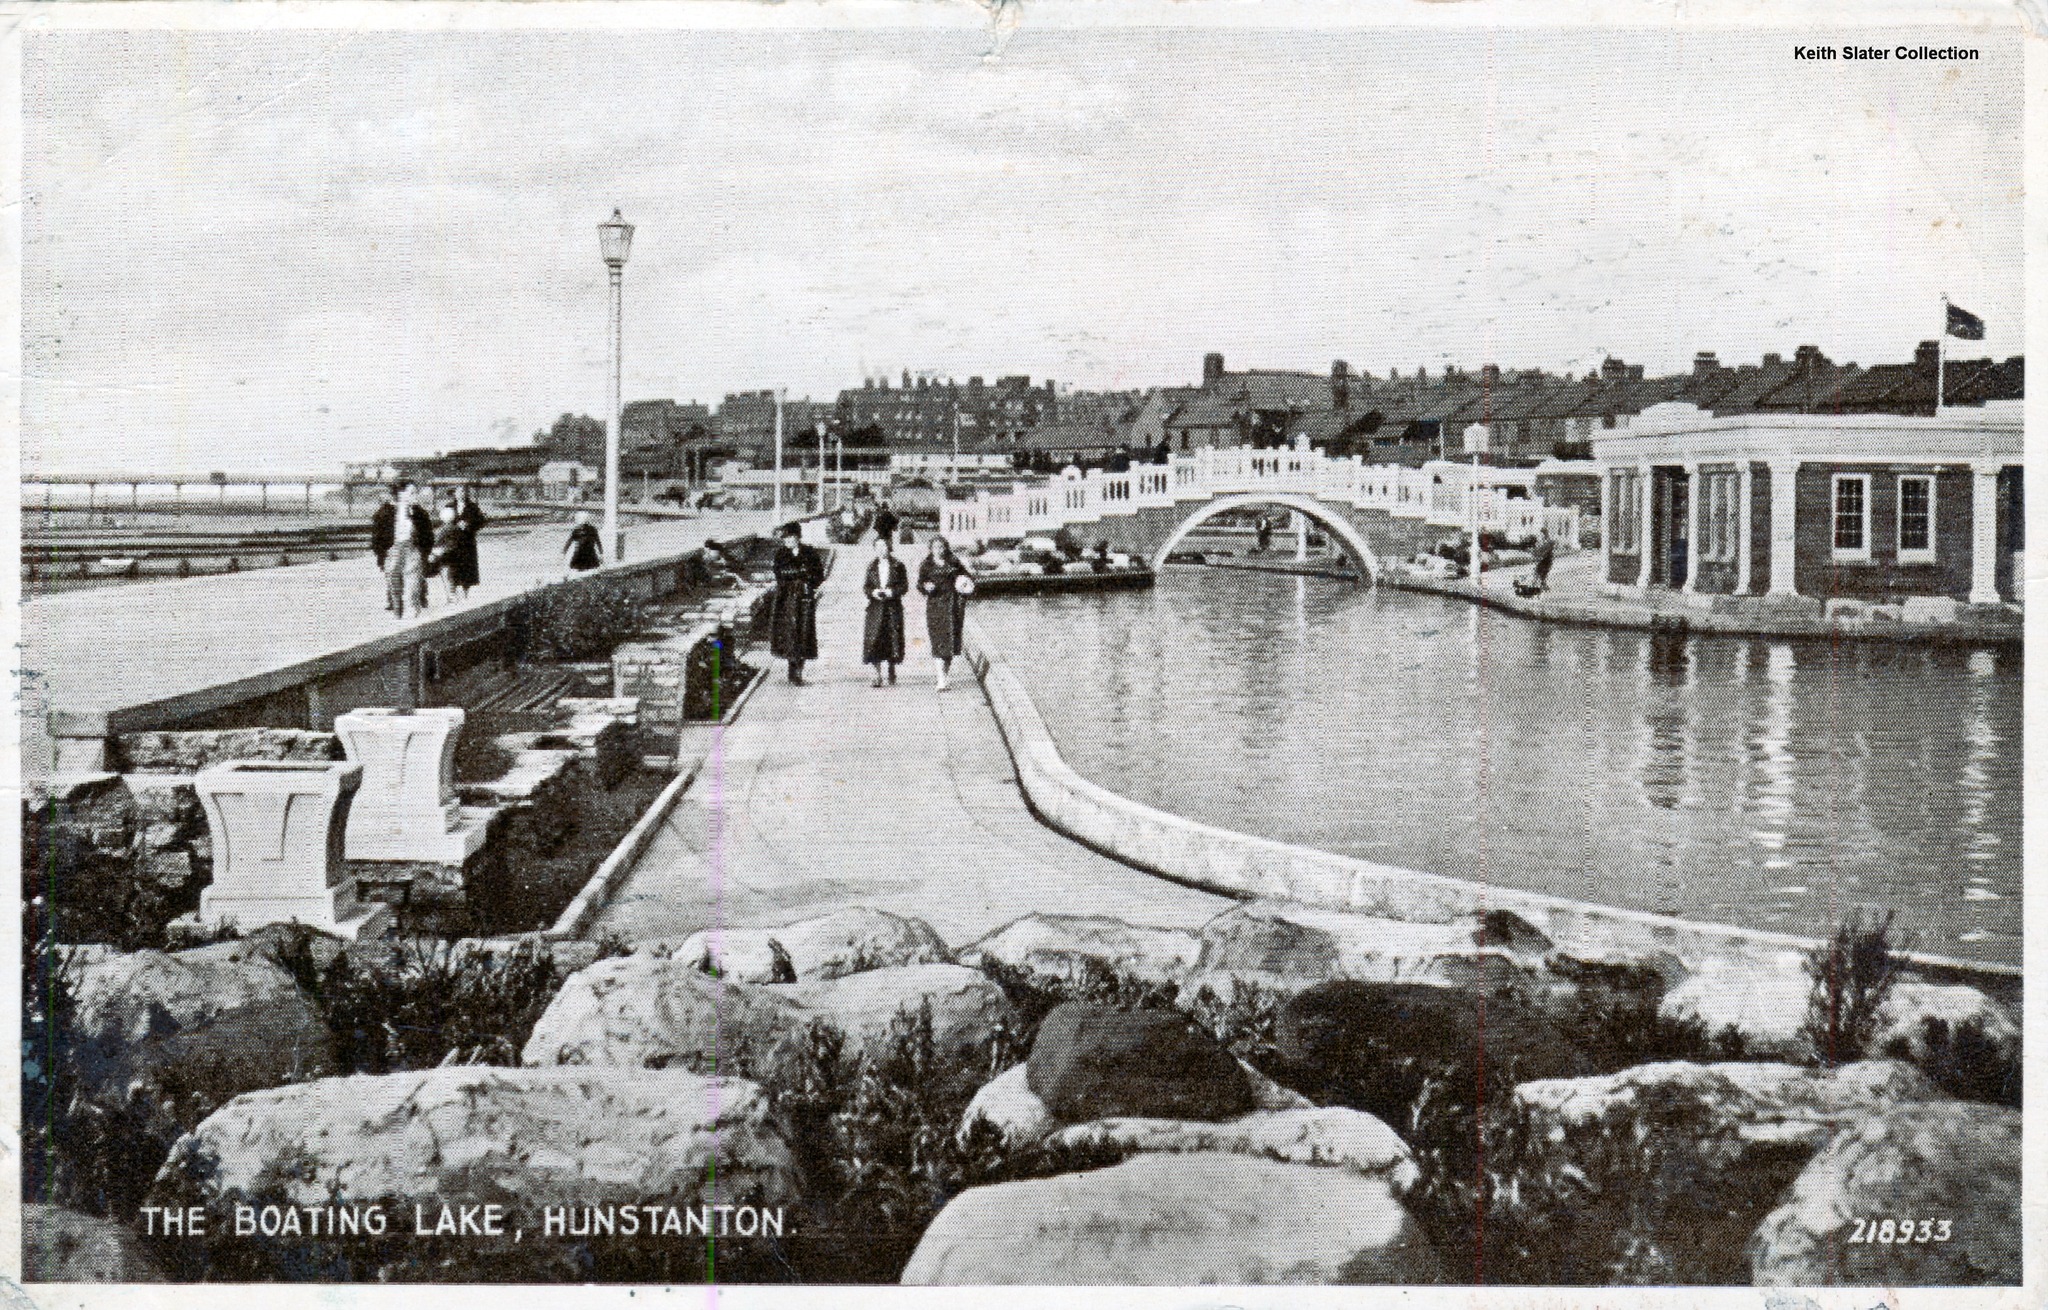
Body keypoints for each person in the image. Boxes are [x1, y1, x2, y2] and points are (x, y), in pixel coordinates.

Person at [768, 521, 825, 684]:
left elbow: (819, 574)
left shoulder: (809, 552)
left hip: (804, 599)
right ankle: (792, 668)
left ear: (797, 537)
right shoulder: (780, 554)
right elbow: (779, 574)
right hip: (786, 599)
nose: (787, 541)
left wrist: (808, 583)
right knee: (789, 633)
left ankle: (800, 668)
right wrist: (799, 576)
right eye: (785, 538)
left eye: (790, 537)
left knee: (804, 632)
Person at [917, 536, 973, 691]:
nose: (939, 550)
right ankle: (941, 678)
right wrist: (925, 587)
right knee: (938, 641)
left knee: (951, 644)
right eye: (936, 547)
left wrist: (964, 585)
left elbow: (968, 579)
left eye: (941, 547)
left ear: (945, 547)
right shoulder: (926, 565)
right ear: (931, 548)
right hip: (935, 606)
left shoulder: (954, 562)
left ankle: (944, 676)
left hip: (953, 607)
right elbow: (919, 583)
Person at [862, 534, 909, 687]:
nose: (882, 550)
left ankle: (891, 668)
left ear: (889, 547)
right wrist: (873, 592)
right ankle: (877, 675)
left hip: (892, 608)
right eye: (879, 547)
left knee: (892, 639)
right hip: (875, 609)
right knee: (874, 640)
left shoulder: (898, 565)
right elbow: (866, 587)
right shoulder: (871, 567)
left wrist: (892, 592)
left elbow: (904, 586)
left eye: (885, 546)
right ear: (875, 549)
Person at [385, 483, 434, 618]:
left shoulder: (420, 513)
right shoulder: (389, 511)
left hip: (413, 549)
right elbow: (381, 533)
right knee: (393, 578)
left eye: (415, 492)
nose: (415, 496)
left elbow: (428, 536)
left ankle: (412, 610)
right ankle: (397, 609)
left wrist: (425, 552)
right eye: (411, 493)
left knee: (412, 581)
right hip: (394, 549)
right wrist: (386, 549)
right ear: (402, 494)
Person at [450, 485, 487, 598]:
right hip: (453, 541)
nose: (460, 494)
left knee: (467, 566)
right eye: (458, 491)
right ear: (454, 494)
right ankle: (453, 591)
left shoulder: (472, 506)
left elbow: (481, 521)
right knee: (453, 565)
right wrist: (455, 524)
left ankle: (466, 591)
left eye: (462, 491)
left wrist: (469, 525)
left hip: (468, 542)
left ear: (465, 493)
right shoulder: (449, 506)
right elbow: (444, 520)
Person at [429, 505, 464, 602]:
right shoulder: (457, 528)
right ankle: (453, 594)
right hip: (454, 554)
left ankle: (451, 596)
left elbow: (436, 541)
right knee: (451, 576)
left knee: (446, 575)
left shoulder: (443, 529)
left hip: (445, 556)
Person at [368, 485, 398, 577]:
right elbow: (377, 538)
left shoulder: (382, 513)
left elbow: (376, 538)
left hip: (390, 553)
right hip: (391, 554)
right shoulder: (382, 513)